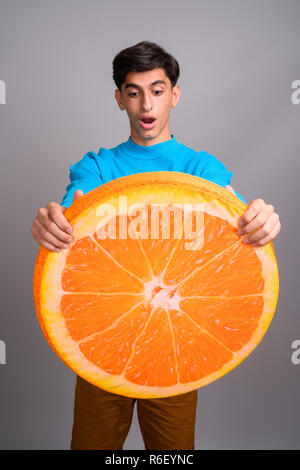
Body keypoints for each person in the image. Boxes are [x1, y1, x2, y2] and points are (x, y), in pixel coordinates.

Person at [31, 41, 281, 450]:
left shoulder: (200, 169)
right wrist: (51, 224)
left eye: (158, 90)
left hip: (174, 343)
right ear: (119, 99)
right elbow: (73, 214)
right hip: (103, 339)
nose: (146, 104)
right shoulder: (96, 166)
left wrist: (262, 219)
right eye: (134, 92)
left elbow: (238, 215)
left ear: (174, 95)